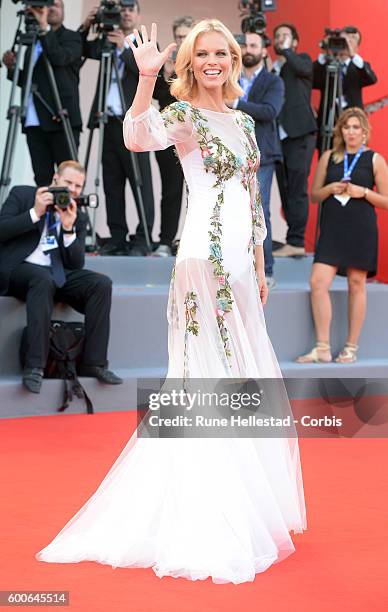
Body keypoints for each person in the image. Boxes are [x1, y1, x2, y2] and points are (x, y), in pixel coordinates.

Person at [36, 20, 306, 584]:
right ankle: (211, 511)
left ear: (233, 60)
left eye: (220, 52)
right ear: (190, 62)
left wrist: (260, 267)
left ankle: (241, 498)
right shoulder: (182, 116)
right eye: (201, 53)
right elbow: (136, 136)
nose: (212, 61)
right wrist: (147, 78)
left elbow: (253, 205)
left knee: (241, 378)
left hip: (240, 267)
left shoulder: (244, 122)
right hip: (201, 266)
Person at [0, 161, 123, 393]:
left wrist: (68, 229)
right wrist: (35, 213)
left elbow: (76, 264)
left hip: (56, 274)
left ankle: (94, 363)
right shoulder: (23, 194)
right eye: (68, 182)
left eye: (78, 186)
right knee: (41, 278)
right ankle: (35, 365)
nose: (73, 190)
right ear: (55, 178)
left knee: (101, 284)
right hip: (19, 269)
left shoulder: (78, 215)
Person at [296, 108, 388, 364]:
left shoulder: (375, 159)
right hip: (333, 228)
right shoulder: (329, 157)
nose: (351, 132)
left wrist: (364, 192)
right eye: (347, 127)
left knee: (356, 285)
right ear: (340, 131)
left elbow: (386, 201)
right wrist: (329, 188)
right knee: (318, 282)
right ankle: (322, 347)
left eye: (356, 127)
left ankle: (351, 347)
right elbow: (314, 195)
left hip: (361, 228)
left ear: (365, 131)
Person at [80, 0, 154, 256]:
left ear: (138, 14)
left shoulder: (144, 41)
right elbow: (81, 50)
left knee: (140, 181)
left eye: (130, 8)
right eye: (122, 9)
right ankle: (117, 237)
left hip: (134, 122)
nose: (125, 13)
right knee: (112, 183)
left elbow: (146, 71)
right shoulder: (106, 39)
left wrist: (123, 47)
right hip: (108, 120)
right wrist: (87, 26)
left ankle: (143, 237)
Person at [2, 0, 83, 187]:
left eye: (55, 5)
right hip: (34, 120)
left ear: (62, 12)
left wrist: (44, 27)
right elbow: (32, 81)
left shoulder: (72, 38)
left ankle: (68, 216)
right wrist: (12, 68)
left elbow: (59, 58)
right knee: (42, 180)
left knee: (68, 180)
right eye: (46, 5)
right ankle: (45, 216)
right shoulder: (34, 39)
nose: (50, 9)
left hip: (61, 117)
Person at [233, 31, 285, 288]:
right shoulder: (230, 76)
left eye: (254, 45)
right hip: (233, 153)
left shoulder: (274, 82)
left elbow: (270, 111)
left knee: (259, 212)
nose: (248, 49)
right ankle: (239, 267)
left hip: (262, 155)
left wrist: (236, 102)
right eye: (244, 45)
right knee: (234, 210)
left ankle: (267, 269)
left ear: (265, 50)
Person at [271, 23, 317, 257]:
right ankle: (293, 239)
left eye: (285, 36)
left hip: (299, 133)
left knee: (297, 189)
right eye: (277, 36)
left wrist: (288, 51)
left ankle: (297, 241)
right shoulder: (273, 70)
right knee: (285, 189)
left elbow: (301, 67)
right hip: (278, 138)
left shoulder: (302, 60)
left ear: (295, 42)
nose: (280, 39)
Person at [152, 16, 195, 257]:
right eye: (178, 36)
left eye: (186, 35)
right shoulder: (168, 61)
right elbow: (159, 96)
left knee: (198, 189)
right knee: (170, 189)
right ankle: (165, 241)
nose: (181, 40)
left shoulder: (202, 61)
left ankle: (191, 241)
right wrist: (166, 73)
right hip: (169, 133)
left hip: (196, 134)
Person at [313, 26, 377, 154]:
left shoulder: (359, 66)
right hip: (328, 123)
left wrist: (353, 55)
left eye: (351, 40)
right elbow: (312, 81)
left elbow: (371, 78)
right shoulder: (327, 65)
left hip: (353, 123)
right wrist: (325, 54)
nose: (346, 43)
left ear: (357, 46)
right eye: (343, 40)